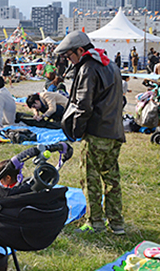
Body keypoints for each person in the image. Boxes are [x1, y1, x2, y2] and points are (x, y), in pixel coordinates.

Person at [55, 31, 125, 235]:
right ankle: (117, 223)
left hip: (96, 133)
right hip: (114, 132)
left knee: (90, 178)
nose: (69, 61)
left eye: (69, 56)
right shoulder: (110, 64)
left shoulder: (88, 67)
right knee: (112, 178)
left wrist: (76, 131)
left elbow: (83, 105)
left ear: (80, 50)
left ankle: (94, 222)